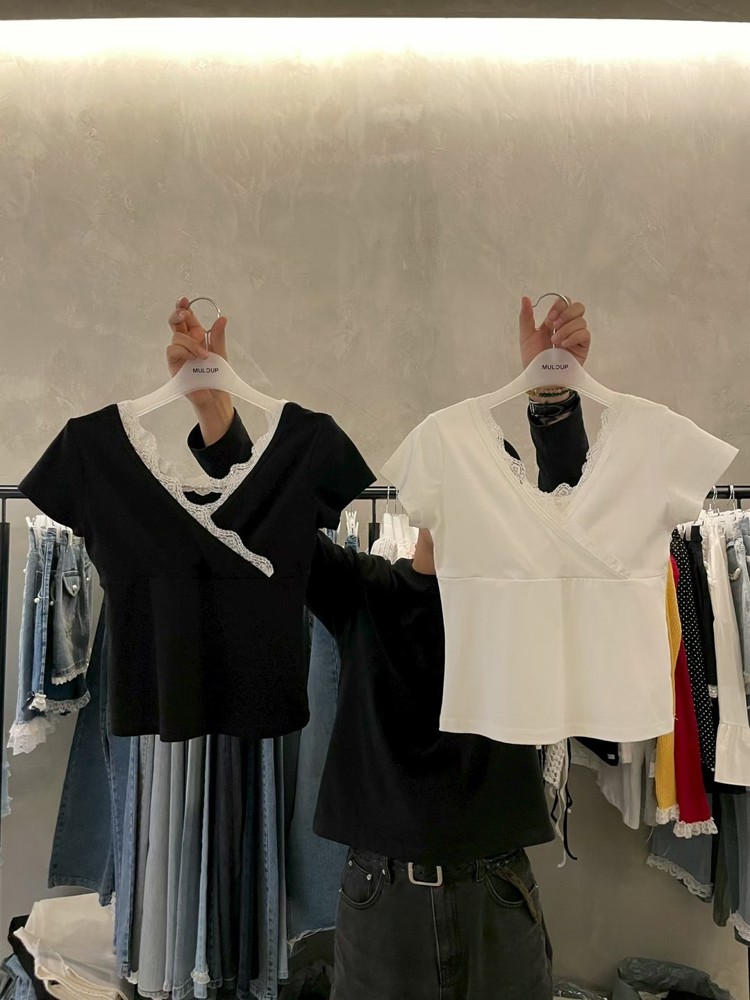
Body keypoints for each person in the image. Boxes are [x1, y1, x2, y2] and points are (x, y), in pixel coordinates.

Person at [166, 294, 592, 1000]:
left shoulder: (521, 601)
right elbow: (270, 526)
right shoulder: (365, 593)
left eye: (492, 487)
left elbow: (572, 514)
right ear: (421, 497)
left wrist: (551, 397)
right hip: (382, 898)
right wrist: (216, 414)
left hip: (495, 893)